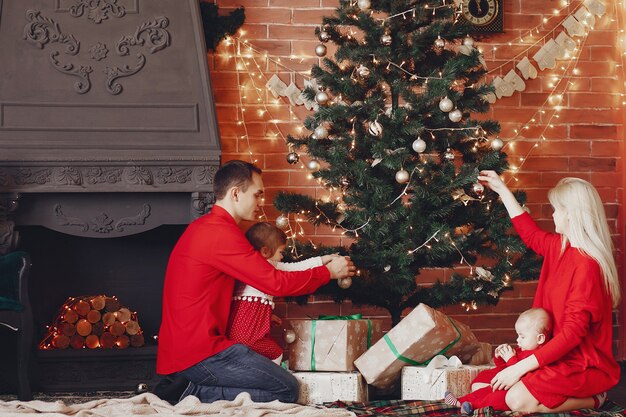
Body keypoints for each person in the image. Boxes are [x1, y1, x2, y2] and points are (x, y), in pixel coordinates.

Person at [156, 160, 356, 404]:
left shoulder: (207, 227)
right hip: (201, 353)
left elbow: (230, 289)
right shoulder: (220, 234)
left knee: (280, 383)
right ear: (236, 194)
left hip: (189, 350)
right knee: (287, 389)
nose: (261, 203)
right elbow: (275, 282)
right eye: (257, 194)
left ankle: (186, 385)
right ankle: (189, 392)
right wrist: (328, 273)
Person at [475, 171, 620, 412]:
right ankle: (535, 390)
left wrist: (520, 368)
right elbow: (529, 234)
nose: (552, 214)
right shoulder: (559, 245)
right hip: (552, 355)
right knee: (482, 385)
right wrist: (502, 189)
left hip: (582, 364)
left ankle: (596, 398)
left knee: (515, 399)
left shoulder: (587, 266)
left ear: (572, 215)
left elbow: (573, 335)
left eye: (557, 209)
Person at [227, 222, 341, 364]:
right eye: (281, 252)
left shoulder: (246, 269)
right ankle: (272, 380)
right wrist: (322, 261)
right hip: (250, 336)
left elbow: (247, 309)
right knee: (275, 354)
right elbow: (295, 268)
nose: (282, 257)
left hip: (236, 334)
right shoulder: (267, 264)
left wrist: (268, 315)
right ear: (265, 252)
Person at [444, 307, 552, 414]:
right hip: (506, 386)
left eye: (522, 337)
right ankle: (459, 401)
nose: (517, 340)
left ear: (540, 339)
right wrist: (499, 357)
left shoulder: (538, 357)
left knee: (495, 398)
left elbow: (524, 378)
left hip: (514, 394)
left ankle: (472, 406)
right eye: (518, 335)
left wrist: (510, 359)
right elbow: (504, 370)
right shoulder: (522, 351)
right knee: (487, 390)